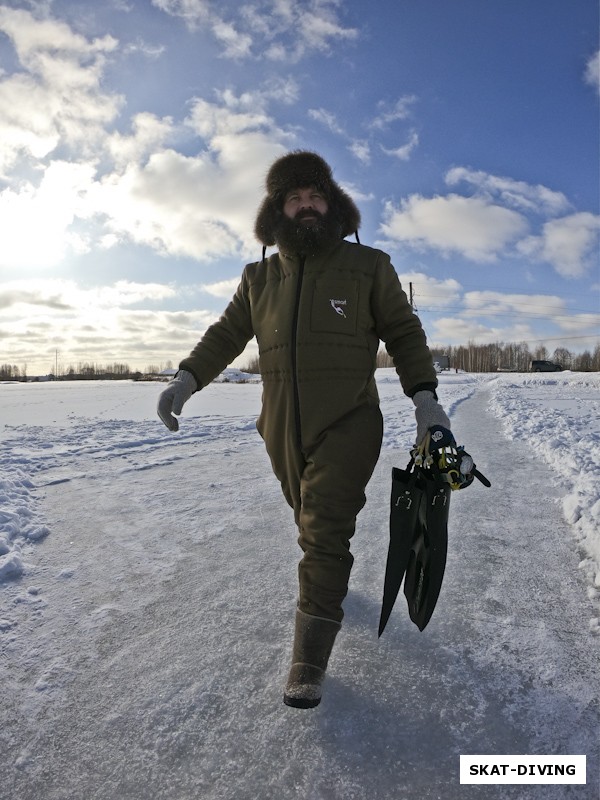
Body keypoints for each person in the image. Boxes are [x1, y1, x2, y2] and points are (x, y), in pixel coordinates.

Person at [157, 150, 450, 709]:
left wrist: (426, 402)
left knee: (323, 527)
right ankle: (330, 580)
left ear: (332, 202)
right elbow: (226, 335)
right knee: (306, 513)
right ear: (278, 211)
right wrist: (187, 379)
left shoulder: (369, 267)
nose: (305, 205)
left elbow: (405, 334)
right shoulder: (258, 277)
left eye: (315, 195)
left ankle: (308, 660)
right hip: (280, 427)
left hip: (349, 421)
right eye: (293, 198)